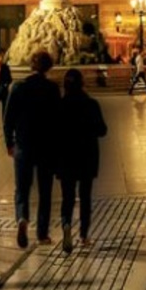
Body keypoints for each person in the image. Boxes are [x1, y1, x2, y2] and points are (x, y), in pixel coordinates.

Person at [3, 50, 61, 248]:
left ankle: (22, 218)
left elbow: (8, 118)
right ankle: (42, 234)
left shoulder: (18, 87)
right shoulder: (52, 89)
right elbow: (57, 120)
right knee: (45, 192)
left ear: (31, 65)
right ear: (48, 67)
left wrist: (9, 143)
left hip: (23, 145)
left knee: (22, 188)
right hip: (46, 147)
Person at [57, 68, 107, 253]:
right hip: (87, 157)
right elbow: (102, 130)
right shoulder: (91, 104)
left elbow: (53, 133)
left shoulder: (60, 105)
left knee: (67, 197)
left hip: (65, 157)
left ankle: (66, 224)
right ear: (82, 83)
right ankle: (84, 236)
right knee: (85, 197)